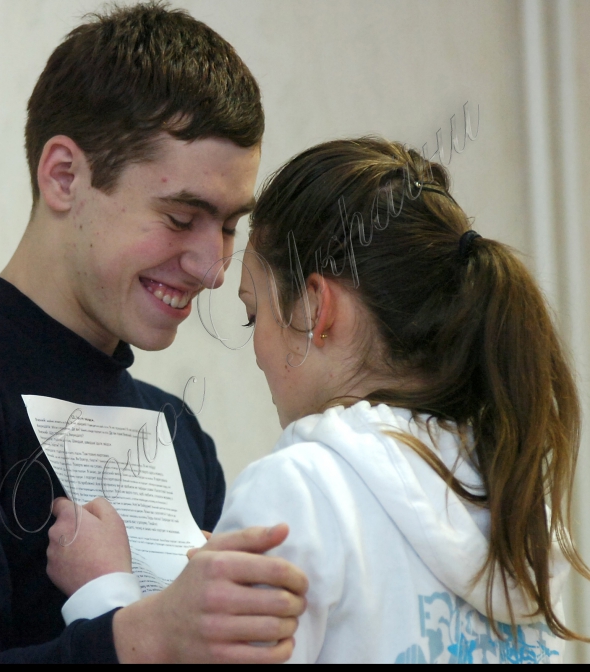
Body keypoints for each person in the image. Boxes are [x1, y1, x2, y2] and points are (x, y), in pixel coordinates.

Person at [48, 136, 589, 663]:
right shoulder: (524, 511)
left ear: (314, 310)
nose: (257, 351)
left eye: (253, 313)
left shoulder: (299, 493)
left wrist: (106, 597)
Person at [0, 2, 307, 664]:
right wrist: (146, 635)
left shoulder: (179, 434)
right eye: (179, 217)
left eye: (228, 225)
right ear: (64, 176)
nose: (213, 268)